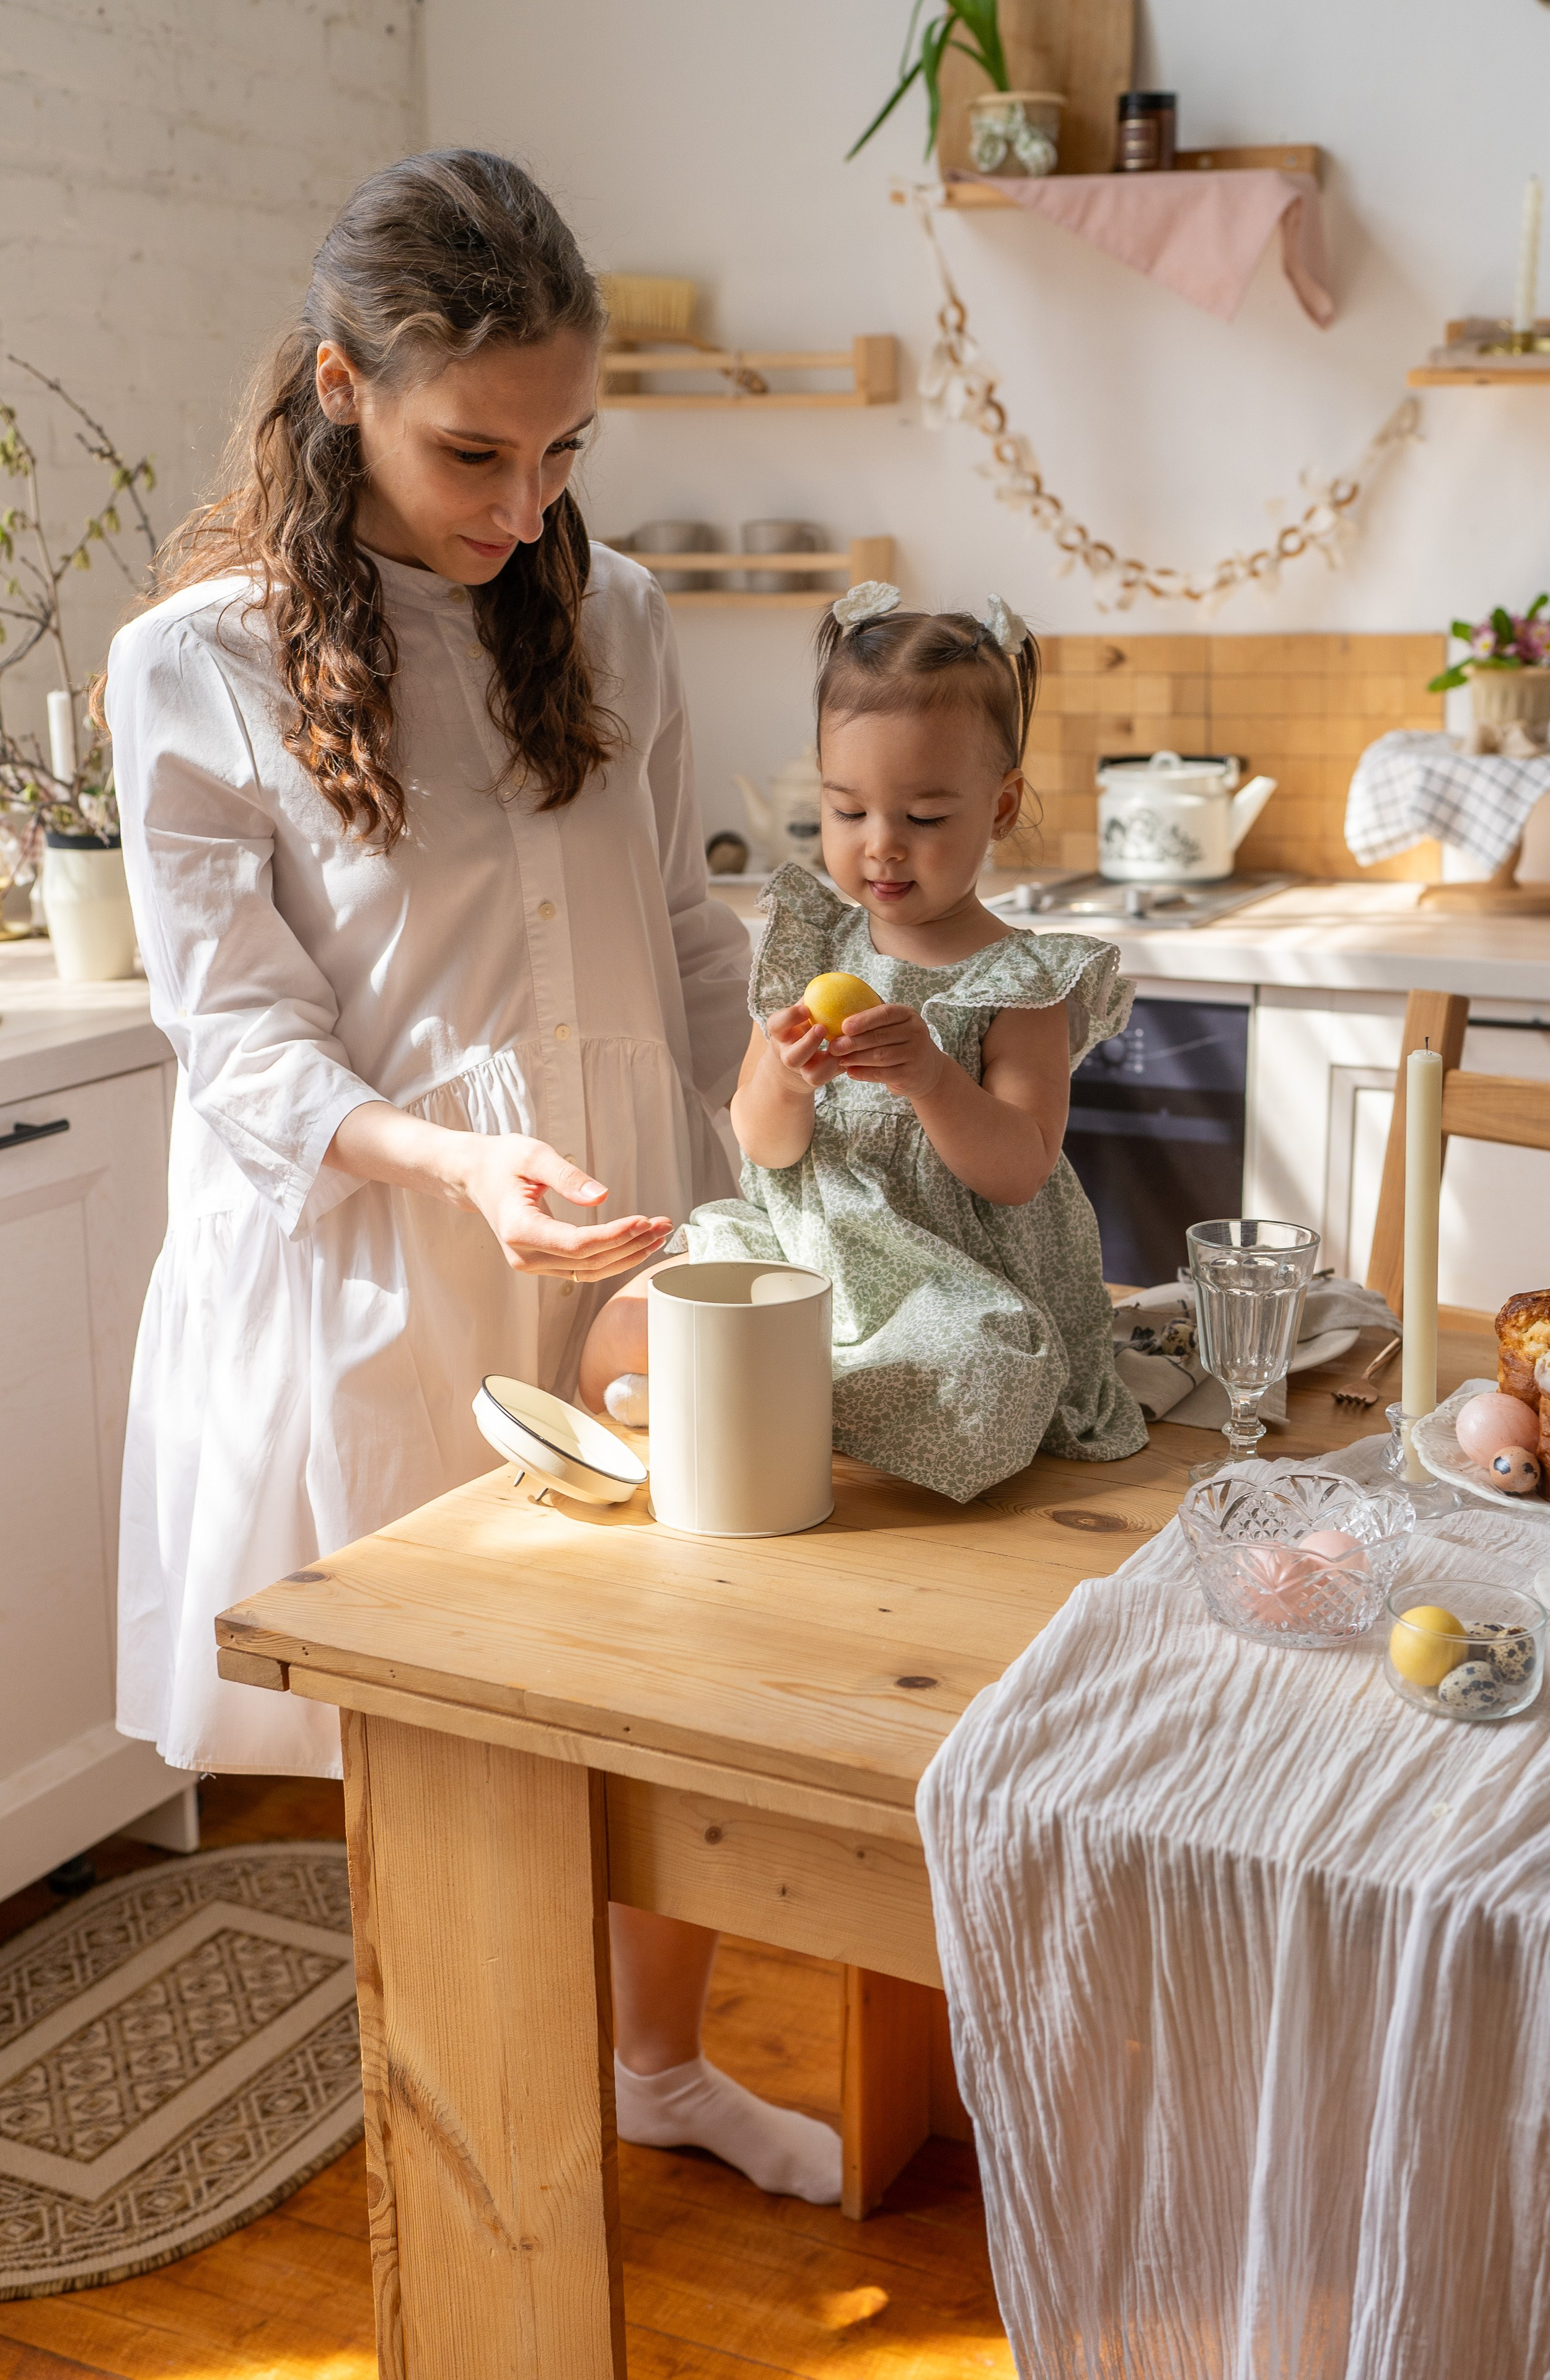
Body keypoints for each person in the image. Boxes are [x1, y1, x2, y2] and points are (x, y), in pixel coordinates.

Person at [103, 148, 840, 2205]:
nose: (523, 503)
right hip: (378, 1269)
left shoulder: (615, 608)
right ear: (343, 386)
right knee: (442, 1753)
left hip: (619, 1244)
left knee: (668, 1689)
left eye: (562, 447)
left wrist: (767, 1174)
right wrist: (456, 1162)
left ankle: (657, 2068)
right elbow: (238, 1038)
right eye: (473, 451)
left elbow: (692, 937)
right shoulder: (197, 664)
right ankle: (484, 2152)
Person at [582, 583, 1148, 1499]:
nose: (881, 846)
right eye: (847, 812)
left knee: (985, 1384)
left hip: (944, 1283)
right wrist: (788, 1079)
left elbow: (1018, 1167)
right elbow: (761, 1142)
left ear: (1001, 807)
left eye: (924, 819)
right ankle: (781, 1385)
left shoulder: (1021, 982)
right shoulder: (815, 948)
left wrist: (933, 1078)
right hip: (806, 1251)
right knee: (624, 1321)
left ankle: (772, 1391)